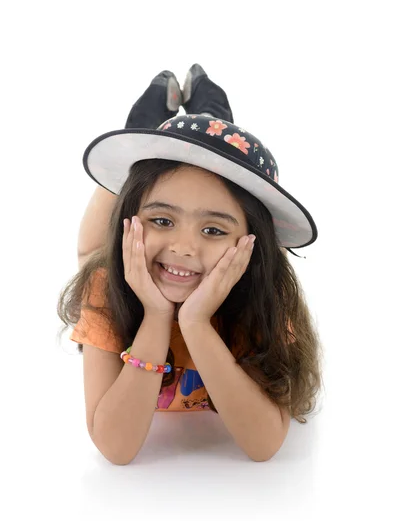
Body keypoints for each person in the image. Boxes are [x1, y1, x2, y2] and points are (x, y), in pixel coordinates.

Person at [57, 64, 324, 464]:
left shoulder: (264, 297)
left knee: (216, 159)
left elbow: (264, 445)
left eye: (214, 231)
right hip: (129, 251)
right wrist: (155, 315)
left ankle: (210, 106)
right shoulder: (105, 284)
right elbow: (115, 448)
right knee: (91, 253)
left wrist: (196, 323)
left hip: (230, 259)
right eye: (162, 221)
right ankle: (145, 121)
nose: (183, 248)